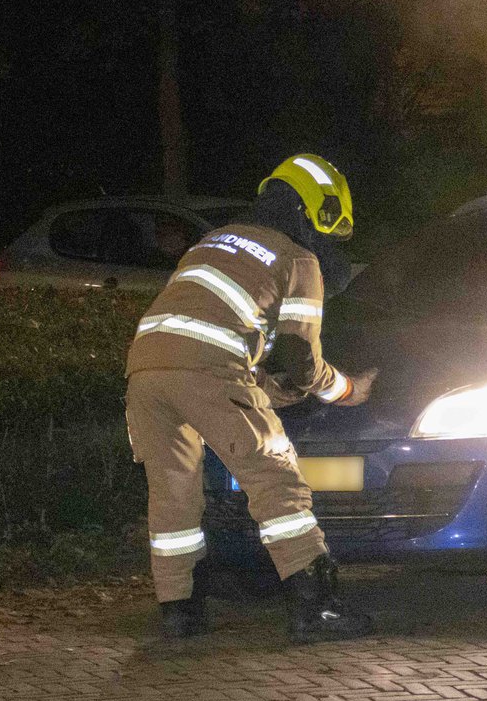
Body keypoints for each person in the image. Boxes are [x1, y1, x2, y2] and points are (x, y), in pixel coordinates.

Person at [124, 153, 379, 643]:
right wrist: (345, 390)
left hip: (145, 370)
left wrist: (262, 389)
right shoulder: (299, 258)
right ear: (315, 215)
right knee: (275, 478)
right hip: (206, 369)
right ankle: (316, 609)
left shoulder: (212, 244)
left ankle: (180, 613)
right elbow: (303, 359)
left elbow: (207, 332)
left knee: (173, 493)